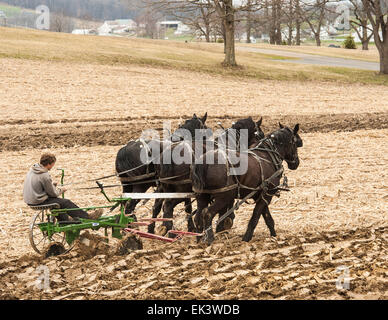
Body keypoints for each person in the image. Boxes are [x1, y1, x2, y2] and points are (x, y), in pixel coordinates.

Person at [23, 153, 103, 221]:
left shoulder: (32, 170)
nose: (53, 166)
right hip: (38, 201)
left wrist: (52, 185)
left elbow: (39, 185)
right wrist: (61, 190)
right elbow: (53, 194)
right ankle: (87, 217)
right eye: (53, 164)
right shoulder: (44, 175)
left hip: (29, 200)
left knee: (57, 203)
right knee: (66, 202)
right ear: (48, 164)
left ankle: (65, 220)